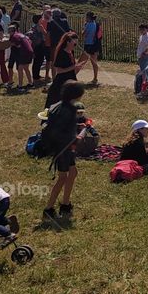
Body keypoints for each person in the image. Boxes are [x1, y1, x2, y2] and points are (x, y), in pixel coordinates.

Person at [42, 81, 87, 221]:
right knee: (62, 177)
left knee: (73, 173)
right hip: (63, 149)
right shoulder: (70, 110)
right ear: (77, 95)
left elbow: (60, 126)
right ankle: (48, 209)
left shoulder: (56, 105)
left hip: (60, 146)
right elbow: (66, 134)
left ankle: (65, 204)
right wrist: (81, 134)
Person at [44, 31, 88, 106]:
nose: (75, 45)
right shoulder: (61, 53)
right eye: (74, 43)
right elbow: (59, 71)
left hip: (70, 81)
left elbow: (72, 68)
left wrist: (78, 66)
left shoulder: (71, 52)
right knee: (56, 105)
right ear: (68, 42)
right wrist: (73, 67)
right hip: (61, 83)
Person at [7, 23, 34, 92]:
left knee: (20, 69)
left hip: (24, 53)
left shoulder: (14, 36)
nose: (8, 33)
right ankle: (31, 83)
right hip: (30, 51)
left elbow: (18, 45)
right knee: (26, 68)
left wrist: (10, 43)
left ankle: (20, 86)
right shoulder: (21, 34)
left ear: (11, 31)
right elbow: (29, 41)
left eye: (9, 31)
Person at [82, 11, 102, 85]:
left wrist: (84, 28)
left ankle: (74, 75)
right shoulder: (96, 24)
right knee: (94, 62)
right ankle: (95, 78)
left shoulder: (88, 24)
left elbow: (84, 34)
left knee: (82, 61)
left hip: (88, 44)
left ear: (88, 17)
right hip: (95, 45)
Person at [29, 13, 48, 86]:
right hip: (39, 45)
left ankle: (36, 75)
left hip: (35, 45)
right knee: (38, 61)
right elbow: (45, 33)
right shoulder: (40, 26)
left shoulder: (34, 26)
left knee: (37, 61)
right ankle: (35, 77)